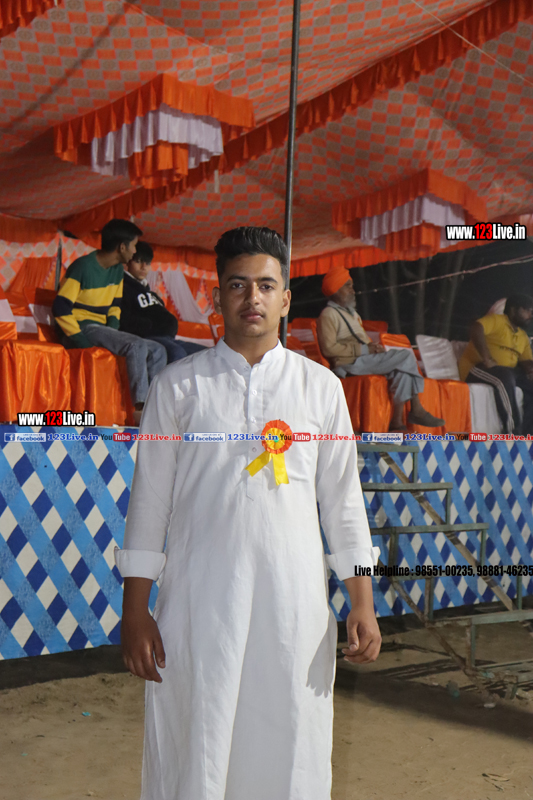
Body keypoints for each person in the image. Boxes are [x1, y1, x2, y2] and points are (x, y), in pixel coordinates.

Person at [115, 226, 382, 800]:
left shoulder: (320, 389)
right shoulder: (177, 386)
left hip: (292, 610)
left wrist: (361, 599)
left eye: (265, 285)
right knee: (199, 743)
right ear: (218, 297)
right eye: (238, 285)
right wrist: (135, 608)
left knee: (290, 745)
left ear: (286, 299)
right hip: (199, 606)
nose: (251, 298)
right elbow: (150, 500)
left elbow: (343, 501)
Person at [52, 219, 167, 426]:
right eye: (133, 246)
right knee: (137, 345)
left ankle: (155, 408)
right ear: (122, 247)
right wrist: (80, 340)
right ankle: (141, 410)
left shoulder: (116, 271)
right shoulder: (83, 267)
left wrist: (112, 332)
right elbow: (60, 307)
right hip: (82, 328)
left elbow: (115, 306)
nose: (135, 251)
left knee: (158, 350)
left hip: (101, 329)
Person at [316, 265, 445, 431]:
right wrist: (365, 350)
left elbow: (362, 342)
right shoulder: (328, 314)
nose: (352, 290)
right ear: (335, 290)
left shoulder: (353, 315)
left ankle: (397, 421)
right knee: (405, 357)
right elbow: (328, 349)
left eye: (352, 286)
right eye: (347, 286)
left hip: (365, 360)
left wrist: (374, 349)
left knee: (402, 370)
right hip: (348, 365)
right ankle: (416, 407)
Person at [120, 241, 208, 362]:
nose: (143, 267)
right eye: (138, 261)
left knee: (208, 354)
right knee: (177, 353)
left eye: (147, 263)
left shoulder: (152, 294)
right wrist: (150, 325)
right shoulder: (123, 288)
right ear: (128, 262)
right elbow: (124, 320)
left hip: (168, 338)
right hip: (148, 338)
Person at [459, 294, 533, 434]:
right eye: (528, 310)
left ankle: (529, 433)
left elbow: (526, 361)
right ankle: (513, 431)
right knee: (505, 377)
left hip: (507, 371)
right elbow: (476, 328)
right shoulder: (496, 320)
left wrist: (530, 371)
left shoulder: (522, 336)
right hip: (478, 368)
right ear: (513, 310)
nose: (531, 315)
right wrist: (486, 358)